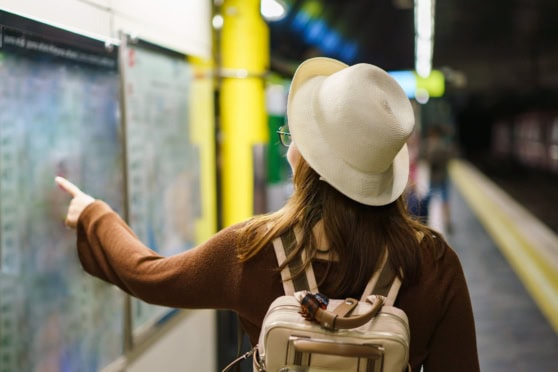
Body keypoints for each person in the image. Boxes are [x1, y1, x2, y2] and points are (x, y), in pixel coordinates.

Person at [56, 57, 479, 371]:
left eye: (299, 138)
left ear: (308, 163)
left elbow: (147, 274)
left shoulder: (254, 249)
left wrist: (94, 215)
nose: (290, 147)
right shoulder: (436, 265)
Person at [424, 124, 454, 233]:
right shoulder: (445, 146)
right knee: (445, 200)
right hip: (444, 177)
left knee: (429, 199)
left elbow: (430, 161)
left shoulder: (433, 146)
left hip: (435, 178)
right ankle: (447, 222)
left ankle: (425, 220)